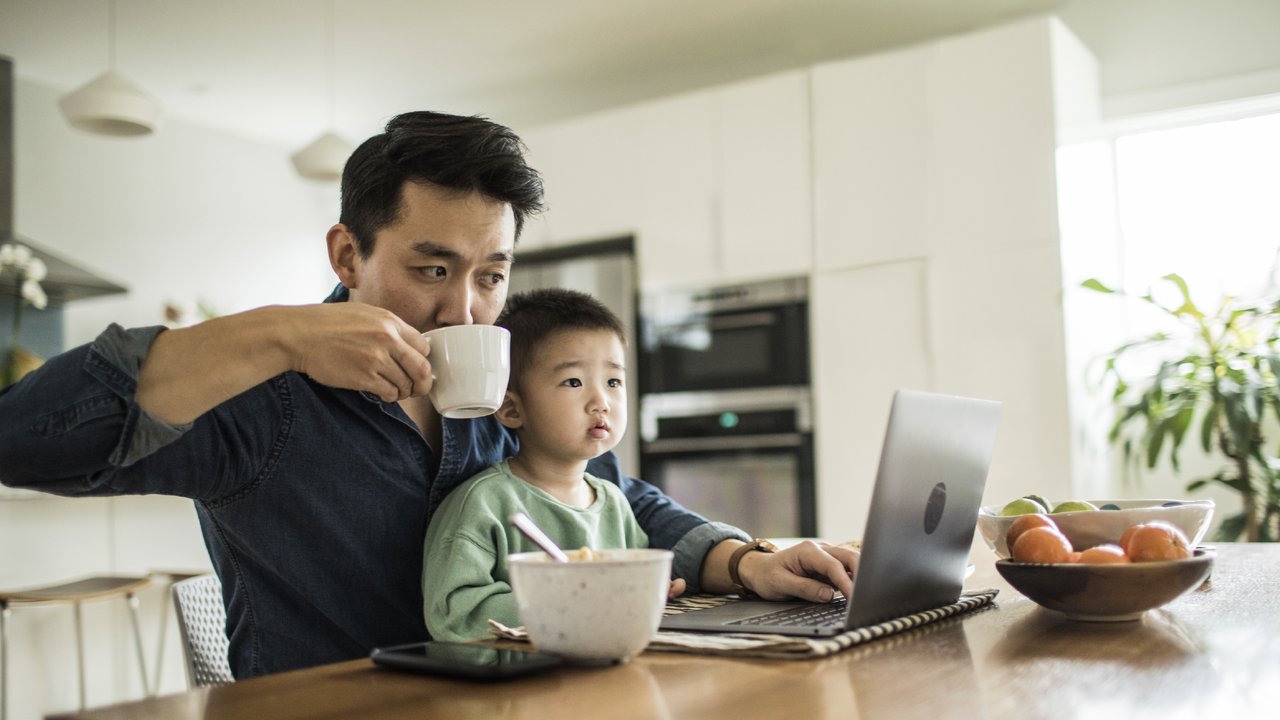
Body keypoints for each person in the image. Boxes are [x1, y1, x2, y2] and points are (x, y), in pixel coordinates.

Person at [0, 110, 859, 679]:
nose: (464, 310)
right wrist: (279, 333)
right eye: (431, 269)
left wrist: (745, 561)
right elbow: (21, 439)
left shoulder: (501, 389)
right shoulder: (263, 396)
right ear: (347, 257)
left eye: (491, 275)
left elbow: (608, 498)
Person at [423, 288, 683, 641]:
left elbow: (620, 592)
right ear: (513, 409)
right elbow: (455, 616)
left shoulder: (614, 502)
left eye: (613, 381)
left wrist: (646, 592)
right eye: (573, 381)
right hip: (515, 687)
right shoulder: (483, 504)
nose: (601, 402)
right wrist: (574, 602)